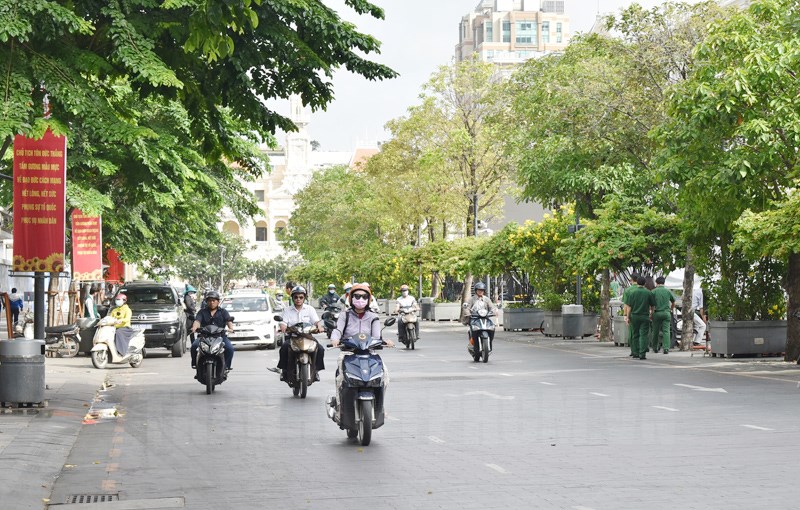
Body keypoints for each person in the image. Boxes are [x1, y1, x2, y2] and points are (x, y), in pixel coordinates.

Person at [330, 284, 393, 403]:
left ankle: (380, 407)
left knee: (384, 376)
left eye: (364, 297)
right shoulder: (345, 315)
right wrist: (335, 339)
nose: (360, 299)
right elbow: (338, 330)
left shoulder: (373, 317)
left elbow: (376, 336)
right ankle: (339, 404)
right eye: (357, 296)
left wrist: (385, 342)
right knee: (340, 378)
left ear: (369, 299)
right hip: (348, 353)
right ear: (351, 298)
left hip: (369, 353)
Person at [268, 286, 325, 379]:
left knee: (320, 349)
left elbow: (316, 321)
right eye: (296, 297)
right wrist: (283, 326)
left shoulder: (310, 309)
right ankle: (283, 370)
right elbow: (283, 322)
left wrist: (320, 327)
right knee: (284, 348)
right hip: (293, 336)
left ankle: (316, 371)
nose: (298, 299)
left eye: (301, 297)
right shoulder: (287, 310)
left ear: (304, 298)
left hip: (307, 336)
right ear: (292, 298)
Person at [191, 291, 235, 371]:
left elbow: (228, 321)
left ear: (218, 301)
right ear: (206, 302)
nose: (211, 302)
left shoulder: (223, 312)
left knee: (230, 349)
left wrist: (231, 328)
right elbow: (197, 321)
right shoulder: (202, 312)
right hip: (204, 337)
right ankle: (195, 363)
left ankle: (226, 367)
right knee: (194, 346)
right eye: (209, 301)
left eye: (213, 300)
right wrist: (194, 328)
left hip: (220, 336)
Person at [624, 276, 655, 360]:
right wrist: (651, 314)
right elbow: (652, 305)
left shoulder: (632, 293)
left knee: (635, 334)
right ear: (645, 283)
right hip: (644, 316)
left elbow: (629, 306)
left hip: (634, 316)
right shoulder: (648, 293)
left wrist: (627, 317)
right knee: (643, 335)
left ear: (637, 282)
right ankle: (642, 354)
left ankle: (635, 352)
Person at [462, 282, 498, 346]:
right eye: (479, 290)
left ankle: (490, 341)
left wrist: (494, 311)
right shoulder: (472, 299)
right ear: (476, 290)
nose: (480, 291)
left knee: (492, 326)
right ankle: (472, 343)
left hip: (485, 318)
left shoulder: (487, 299)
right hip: (474, 318)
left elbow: (492, 307)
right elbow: (467, 308)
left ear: (484, 291)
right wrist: (468, 313)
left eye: (482, 290)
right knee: (473, 328)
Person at [650, 277, 675, 354]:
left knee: (655, 331)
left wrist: (651, 312)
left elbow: (651, 304)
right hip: (666, 313)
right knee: (666, 331)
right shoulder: (668, 291)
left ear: (656, 283)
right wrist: (671, 309)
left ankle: (655, 347)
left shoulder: (653, 291)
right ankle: (666, 348)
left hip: (656, 313)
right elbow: (673, 301)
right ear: (664, 282)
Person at [621, 273, 641, 358]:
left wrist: (625, 315)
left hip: (632, 314)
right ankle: (641, 350)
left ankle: (634, 350)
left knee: (633, 333)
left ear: (631, 280)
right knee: (642, 333)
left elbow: (626, 304)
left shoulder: (628, 290)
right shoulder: (644, 289)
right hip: (643, 314)